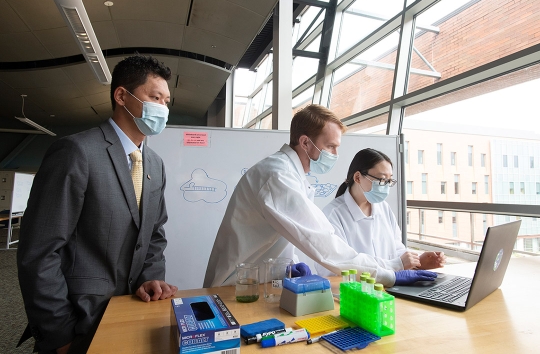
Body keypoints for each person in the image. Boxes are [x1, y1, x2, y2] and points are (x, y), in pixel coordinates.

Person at [17, 55, 178, 354]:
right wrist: (58, 334)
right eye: (155, 97)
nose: (163, 109)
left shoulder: (155, 163)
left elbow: (154, 233)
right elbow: (39, 251)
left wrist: (151, 279)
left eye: (167, 102)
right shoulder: (77, 152)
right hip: (79, 322)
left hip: (133, 311)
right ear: (121, 96)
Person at [203, 105, 433, 289]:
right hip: (237, 288)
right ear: (305, 142)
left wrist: (291, 266)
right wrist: (390, 274)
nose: (335, 155)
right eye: (331, 147)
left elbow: (283, 236)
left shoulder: (291, 174)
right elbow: (326, 246)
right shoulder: (278, 176)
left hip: (259, 283)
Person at [315, 148, 446, 282]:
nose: (386, 186)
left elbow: (396, 251)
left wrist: (417, 262)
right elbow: (335, 267)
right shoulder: (332, 215)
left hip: (390, 288)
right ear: (358, 177)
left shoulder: (383, 208)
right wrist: (397, 265)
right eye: (382, 180)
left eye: (389, 181)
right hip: (356, 294)